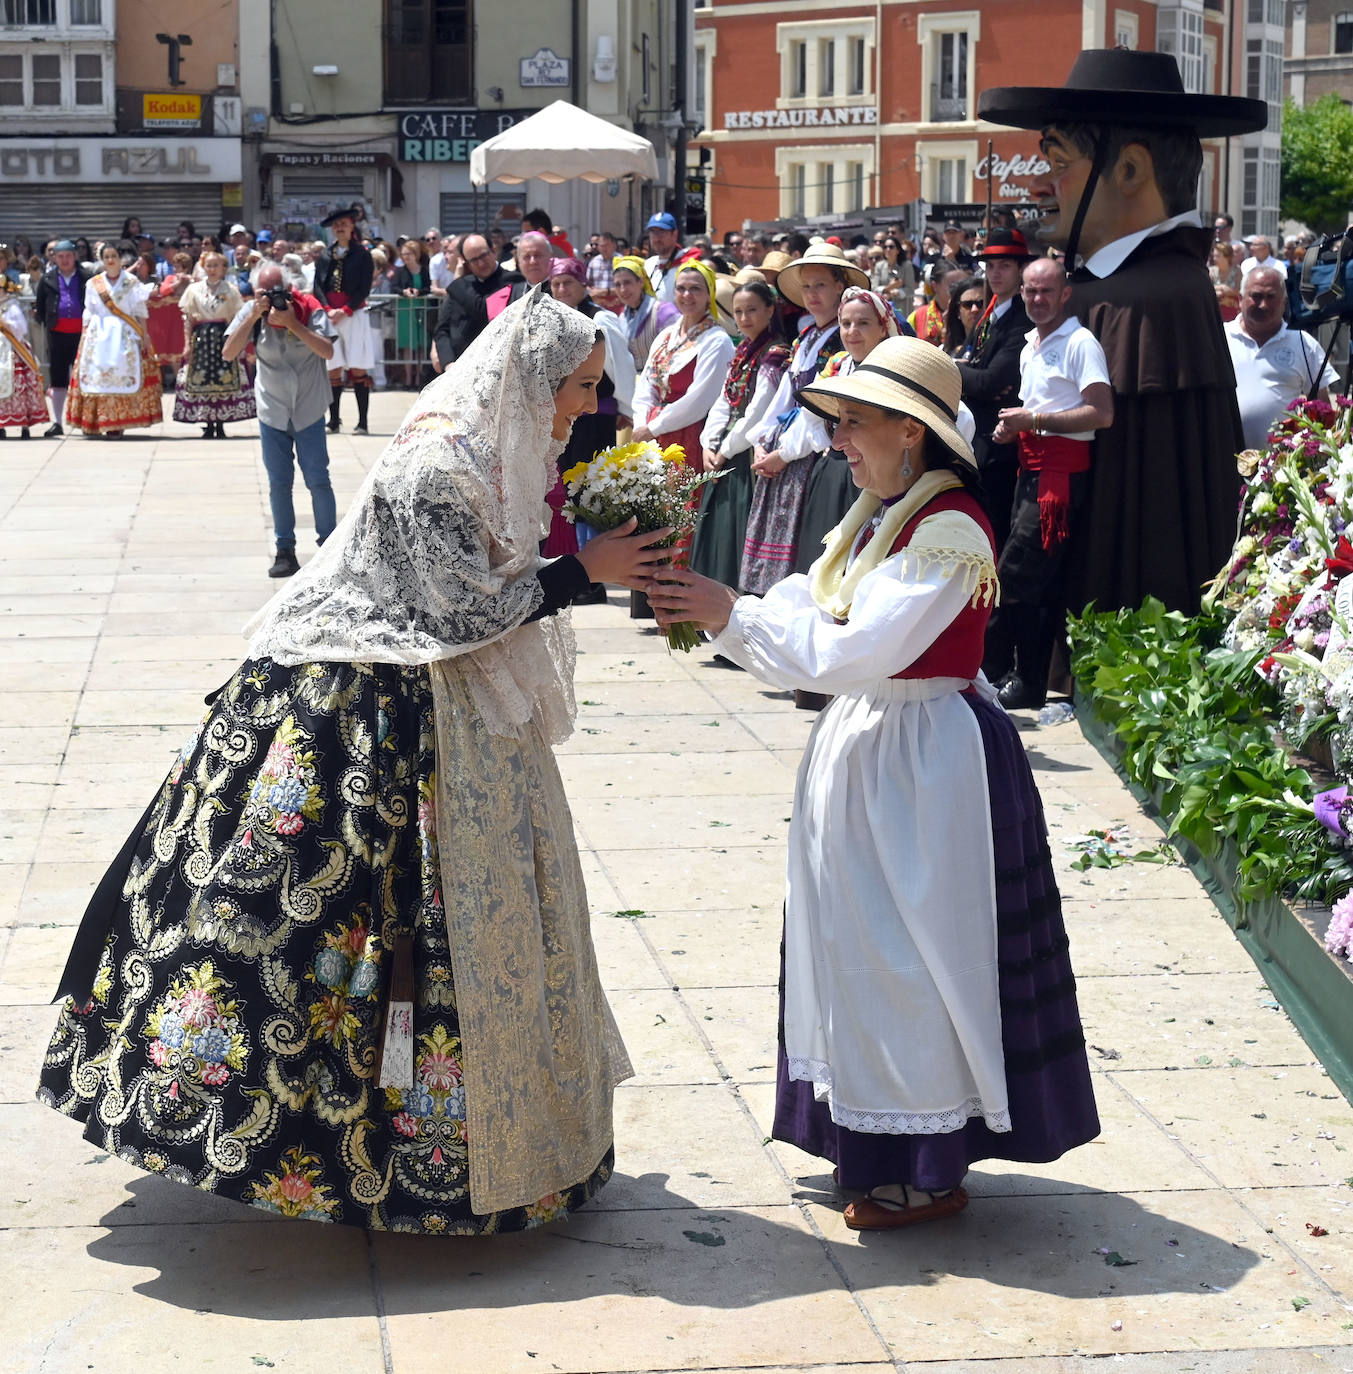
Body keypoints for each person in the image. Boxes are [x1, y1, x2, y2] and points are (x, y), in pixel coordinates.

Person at [37, 287, 674, 1234]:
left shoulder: (487, 445)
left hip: (446, 703)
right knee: (329, 935)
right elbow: (457, 616)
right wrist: (589, 572)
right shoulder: (436, 465)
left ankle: (512, 1151)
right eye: (579, 387)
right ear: (529, 379)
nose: (588, 406)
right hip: (364, 708)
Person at [647, 336, 1099, 1230]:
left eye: (854, 422)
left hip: (926, 763)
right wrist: (719, 603)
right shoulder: (878, 513)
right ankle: (876, 1139)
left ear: (910, 429)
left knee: (915, 956)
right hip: (877, 745)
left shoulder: (949, 527)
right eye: (839, 422)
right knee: (861, 950)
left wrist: (725, 613)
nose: (840, 438)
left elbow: (856, 648)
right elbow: (811, 610)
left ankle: (924, 1165)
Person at [980, 48, 1267, 614]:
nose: (1041, 188)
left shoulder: (1153, 296)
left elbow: (1147, 492)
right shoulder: (1107, 287)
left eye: (1059, 165)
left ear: (1131, 170)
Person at [985, 257, 1114, 709]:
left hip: (1058, 478)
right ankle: (1020, 676)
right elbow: (1033, 410)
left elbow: (1101, 412)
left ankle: (1021, 677)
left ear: (1064, 294)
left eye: (1046, 291)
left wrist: (1032, 420)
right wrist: (1015, 427)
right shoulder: (1029, 345)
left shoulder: (1080, 343)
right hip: (1031, 471)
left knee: (1016, 577)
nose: (1037, 299)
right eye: (1030, 291)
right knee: (1029, 580)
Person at [740, 243, 865, 607]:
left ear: (840, 286)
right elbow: (783, 396)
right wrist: (760, 439)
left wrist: (783, 452)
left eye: (821, 285)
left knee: (801, 544)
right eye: (807, 287)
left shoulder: (839, 342)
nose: (812, 295)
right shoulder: (807, 337)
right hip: (783, 447)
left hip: (810, 450)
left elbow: (821, 412)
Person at [222, 264, 338, 578]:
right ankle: (284, 549)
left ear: (289, 289)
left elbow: (327, 351)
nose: (272, 298)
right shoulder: (251, 311)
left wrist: (292, 324)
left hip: (309, 406)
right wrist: (252, 315)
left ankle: (329, 547)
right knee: (279, 483)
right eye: (265, 292)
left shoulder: (309, 307)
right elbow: (229, 352)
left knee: (318, 479)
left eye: (278, 291)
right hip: (272, 409)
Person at [792, 285, 900, 580]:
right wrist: (833, 444)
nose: (852, 331)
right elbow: (810, 415)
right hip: (834, 471)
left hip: (879, 476)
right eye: (846, 323)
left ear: (882, 327)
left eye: (863, 323)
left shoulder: (896, 368)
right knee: (823, 555)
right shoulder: (837, 364)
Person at [689, 280, 791, 588]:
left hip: (746, 451)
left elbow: (759, 409)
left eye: (752, 310)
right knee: (717, 532)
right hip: (725, 450)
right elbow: (724, 400)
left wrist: (725, 450)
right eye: (738, 312)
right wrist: (707, 443)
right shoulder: (743, 349)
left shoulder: (775, 352)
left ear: (770, 310)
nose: (744, 318)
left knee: (738, 529)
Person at [546, 257, 635, 587]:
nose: (561, 289)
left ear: (584, 284)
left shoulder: (601, 319)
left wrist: (625, 406)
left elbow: (620, 366)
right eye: (556, 283)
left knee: (590, 487)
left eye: (568, 282)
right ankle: (575, 559)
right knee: (568, 486)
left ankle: (594, 571)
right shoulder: (557, 320)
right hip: (569, 414)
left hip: (596, 413)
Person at [956, 228, 1034, 553]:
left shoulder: (1020, 319)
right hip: (976, 441)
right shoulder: (989, 315)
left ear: (1019, 270)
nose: (995, 273)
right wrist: (970, 374)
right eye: (990, 266)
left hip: (998, 447)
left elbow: (991, 382)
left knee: (993, 532)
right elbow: (982, 376)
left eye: (1004, 266)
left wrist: (952, 368)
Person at [631, 260, 735, 468]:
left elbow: (700, 400)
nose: (687, 295)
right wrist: (641, 424)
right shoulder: (666, 336)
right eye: (681, 288)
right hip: (652, 433)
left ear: (709, 295)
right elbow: (646, 386)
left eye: (695, 289)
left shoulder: (716, 340)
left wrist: (654, 427)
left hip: (689, 434)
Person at [1226, 265, 1337, 452]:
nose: (1263, 304)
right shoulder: (1220, 338)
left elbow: (1322, 407)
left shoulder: (1302, 343)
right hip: (1224, 463)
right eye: (1256, 296)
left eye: (1271, 297)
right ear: (1240, 299)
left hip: (1281, 470)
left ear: (1284, 302)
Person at [65, 240, 162, 438]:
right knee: (97, 376)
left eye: (114, 257)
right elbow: (89, 311)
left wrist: (145, 336)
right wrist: (84, 336)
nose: (110, 260)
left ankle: (118, 421)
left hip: (125, 333)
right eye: (106, 257)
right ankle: (95, 419)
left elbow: (139, 310)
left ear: (120, 259)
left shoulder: (131, 281)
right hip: (98, 334)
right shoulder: (94, 283)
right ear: (102, 259)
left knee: (123, 374)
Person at [173, 250, 256, 439]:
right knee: (202, 379)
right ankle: (208, 423)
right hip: (201, 337)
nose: (212, 269)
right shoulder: (193, 290)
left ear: (224, 268)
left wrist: (239, 344)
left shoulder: (231, 289)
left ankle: (220, 423)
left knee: (224, 378)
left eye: (216, 265)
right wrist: (187, 344)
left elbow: (237, 318)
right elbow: (187, 318)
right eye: (209, 265)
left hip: (223, 336)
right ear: (203, 267)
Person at [313, 205, 376, 434]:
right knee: (333, 367)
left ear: (352, 227)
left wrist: (347, 310)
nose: (340, 228)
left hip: (353, 314)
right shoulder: (325, 255)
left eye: (344, 225)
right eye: (336, 225)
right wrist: (328, 309)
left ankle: (362, 422)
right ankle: (334, 420)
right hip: (330, 315)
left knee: (358, 368)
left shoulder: (362, 254)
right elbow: (318, 286)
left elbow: (364, 287)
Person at [431, 233, 519, 372]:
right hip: (455, 369)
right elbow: (442, 329)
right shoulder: (460, 286)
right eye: (474, 260)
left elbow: (483, 310)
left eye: (484, 256)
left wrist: (458, 281)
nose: (481, 263)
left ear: (494, 251)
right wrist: (448, 362)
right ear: (466, 262)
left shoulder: (514, 282)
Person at [34, 239, 94, 438]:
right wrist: (48, 320)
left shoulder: (87, 277)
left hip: (82, 334)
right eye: (60, 256)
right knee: (58, 378)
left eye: (68, 255)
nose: (65, 260)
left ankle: (87, 421)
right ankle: (57, 422)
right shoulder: (48, 278)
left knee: (85, 377)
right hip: (57, 334)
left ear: (75, 256)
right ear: (54, 258)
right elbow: (40, 305)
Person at [613, 253, 679, 375]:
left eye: (627, 282)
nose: (623, 290)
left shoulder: (664, 313)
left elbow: (678, 353)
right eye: (618, 284)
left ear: (641, 282)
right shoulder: (622, 318)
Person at [0, 288, 50, 438]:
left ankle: (24, 425)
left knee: (21, 387)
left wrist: (5, 323)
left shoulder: (11, 306)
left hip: (13, 349)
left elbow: (21, 328)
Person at [393, 238, 433, 390]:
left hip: (421, 309)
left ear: (415, 254)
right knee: (408, 345)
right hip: (405, 311)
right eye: (403, 254)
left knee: (421, 344)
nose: (405, 257)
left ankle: (419, 378)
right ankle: (409, 378)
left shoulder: (424, 270)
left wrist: (419, 292)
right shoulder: (400, 271)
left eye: (408, 253)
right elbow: (394, 287)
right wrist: (403, 292)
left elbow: (428, 287)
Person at [643, 212, 700, 303]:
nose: (657, 238)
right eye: (653, 232)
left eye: (662, 232)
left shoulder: (688, 264)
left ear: (674, 234)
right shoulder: (647, 265)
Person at [944, 276, 984, 358]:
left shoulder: (997, 349)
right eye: (967, 305)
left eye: (981, 303)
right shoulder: (944, 353)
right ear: (958, 312)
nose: (974, 309)